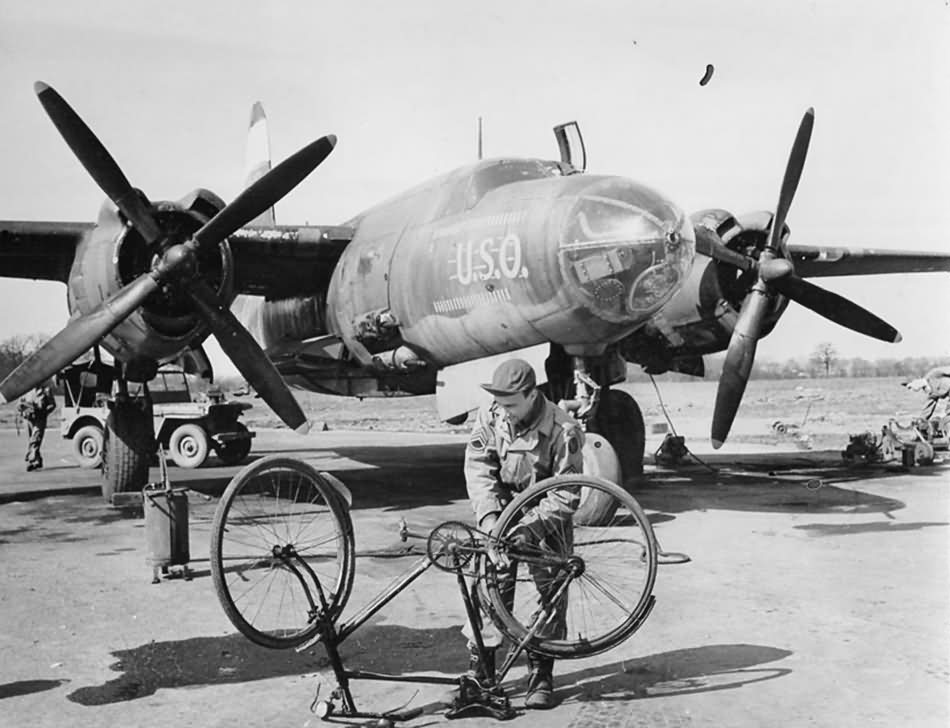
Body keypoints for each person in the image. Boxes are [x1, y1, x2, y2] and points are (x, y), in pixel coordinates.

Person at [463, 358, 584, 710]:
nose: (505, 412)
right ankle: (482, 667)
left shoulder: (565, 431)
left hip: (544, 516)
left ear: (532, 395)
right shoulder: (492, 413)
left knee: (549, 591)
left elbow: (567, 493)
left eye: (512, 404)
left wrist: (528, 531)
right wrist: (488, 519)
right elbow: (478, 466)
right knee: (489, 583)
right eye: (500, 403)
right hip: (501, 511)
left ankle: (540, 670)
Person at [18, 382, 57, 472]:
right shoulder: (25, 391)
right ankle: (37, 461)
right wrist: (25, 409)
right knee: (31, 440)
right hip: (28, 420)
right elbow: (19, 405)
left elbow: (53, 405)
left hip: (40, 419)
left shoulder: (46, 390)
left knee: (35, 440)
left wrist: (42, 411)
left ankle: (30, 461)